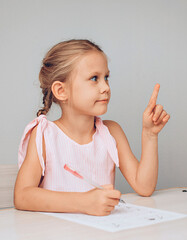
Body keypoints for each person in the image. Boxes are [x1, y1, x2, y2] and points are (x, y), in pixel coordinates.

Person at [14, 39, 170, 216]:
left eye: (106, 78)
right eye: (94, 78)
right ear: (61, 91)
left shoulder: (112, 132)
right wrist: (83, 203)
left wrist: (149, 135)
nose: (105, 87)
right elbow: (22, 196)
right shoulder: (44, 135)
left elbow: (144, 186)